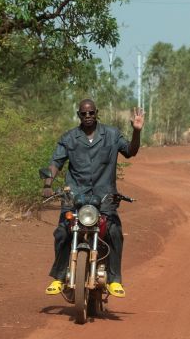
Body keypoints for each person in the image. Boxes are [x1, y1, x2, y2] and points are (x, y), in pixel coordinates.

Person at [42, 99, 144, 298]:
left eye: (91, 113)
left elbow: (130, 151)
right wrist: (47, 184)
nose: (87, 116)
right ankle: (59, 277)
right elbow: (56, 162)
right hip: (74, 196)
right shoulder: (69, 138)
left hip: (104, 196)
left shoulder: (112, 134)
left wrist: (137, 131)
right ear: (78, 115)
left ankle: (114, 280)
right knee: (62, 232)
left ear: (97, 113)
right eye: (83, 113)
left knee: (114, 232)